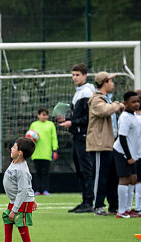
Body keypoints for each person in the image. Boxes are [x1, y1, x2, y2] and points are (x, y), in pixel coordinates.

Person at [0, 137, 39, 242]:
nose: (11, 148)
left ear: (20, 153)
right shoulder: (14, 163)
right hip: (15, 200)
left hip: (22, 201)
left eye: (14, 147)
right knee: (7, 217)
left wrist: (15, 209)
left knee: (19, 221)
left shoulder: (22, 170)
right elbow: (28, 184)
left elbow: (23, 190)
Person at [87, 72, 125, 216]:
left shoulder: (107, 100)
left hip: (111, 143)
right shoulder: (96, 100)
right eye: (111, 81)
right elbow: (104, 111)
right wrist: (117, 104)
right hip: (99, 144)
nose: (113, 84)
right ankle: (98, 206)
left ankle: (114, 205)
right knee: (99, 176)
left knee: (112, 176)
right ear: (105, 82)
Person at [58, 63, 94, 213]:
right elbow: (78, 116)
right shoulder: (79, 91)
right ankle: (85, 200)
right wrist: (67, 119)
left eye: (77, 75)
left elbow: (89, 117)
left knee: (86, 170)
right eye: (73, 75)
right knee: (80, 170)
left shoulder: (87, 92)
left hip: (85, 136)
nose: (74, 78)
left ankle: (89, 202)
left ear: (85, 76)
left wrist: (72, 122)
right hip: (77, 136)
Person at [112, 91, 141, 218]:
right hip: (122, 152)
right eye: (133, 102)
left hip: (132, 154)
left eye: (138, 101)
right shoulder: (124, 117)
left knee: (133, 179)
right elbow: (122, 138)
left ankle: (128, 209)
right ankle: (121, 211)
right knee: (124, 179)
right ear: (125, 103)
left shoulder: (133, 116)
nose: (136, 104)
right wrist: (128, 156)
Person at [29, 107, 58, 196]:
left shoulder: (51, 125)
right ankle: (37, 189)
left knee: (45, 172)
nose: (45, 117)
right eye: (43, 114)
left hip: (46, 153)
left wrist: (55, 149)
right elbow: (30, 137)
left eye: (46, 115)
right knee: (37, 172)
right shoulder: (34, 125)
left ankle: (45, 189)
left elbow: (54, 137)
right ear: (38, 115)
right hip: (36, 153)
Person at [135, 90, 141, 214]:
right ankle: (139, 207)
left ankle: (140, 207)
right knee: (138, 179)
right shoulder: (129, 116)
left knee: (140, 179)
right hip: (136, 152)